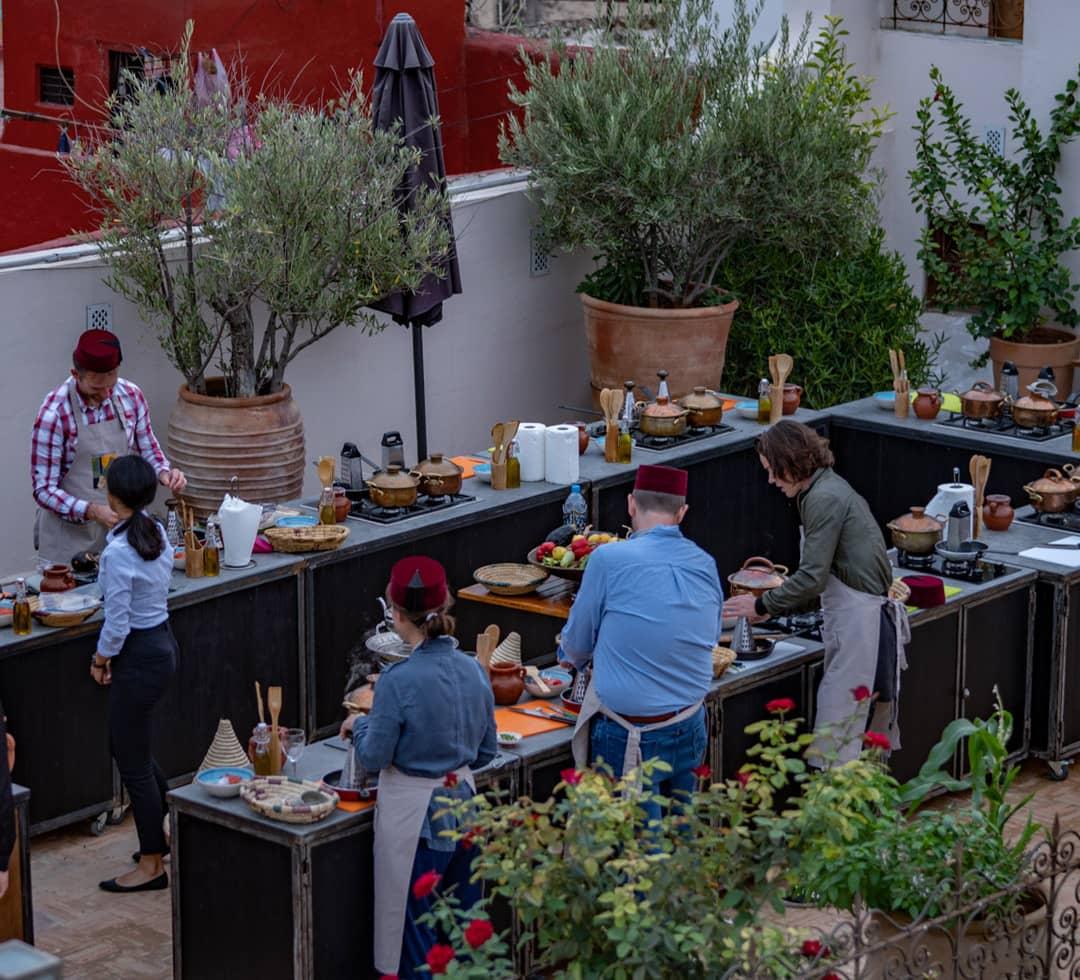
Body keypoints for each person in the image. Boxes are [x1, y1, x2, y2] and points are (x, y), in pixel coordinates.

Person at [340, 557, 496, 980]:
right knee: (461, 941)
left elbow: (373, 757)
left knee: (416, 947)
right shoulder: (472, 670)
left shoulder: (397, 680)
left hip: (417, 820)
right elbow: (486, 751)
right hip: (466, 811)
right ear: (445, 603)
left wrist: (361, 725)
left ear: (394, 611)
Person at [723, 420, 909, 766]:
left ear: (789, 462)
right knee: (855, 726)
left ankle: (836, 814)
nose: (771, 481)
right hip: (860, 618)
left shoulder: (822, 498)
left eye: (772, 471)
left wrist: (762, 604)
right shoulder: (828, 488)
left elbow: (812, 577)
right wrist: (770, 608)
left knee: (838, 729)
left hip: (859, 624)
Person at [558, 464, 723, 819]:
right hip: (690, 723)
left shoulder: (607, 559)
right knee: (682, 845)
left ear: (631, 504)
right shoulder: (705, 563)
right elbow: (708, 636)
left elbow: (575, 646)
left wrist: (573, 659)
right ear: (682, 513)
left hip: (631, 734)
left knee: (636, 860)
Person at [90, 454, 177, 893]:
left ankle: (151, 864)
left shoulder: (119, 551)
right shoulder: (156, 531)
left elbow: (117, 623)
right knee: (130, 748)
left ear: (111, 496)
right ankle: (166, 831)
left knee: (132, 758)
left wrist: (101, 660)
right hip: (160, 646)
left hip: (139, 655)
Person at [31, 328, 186, 566]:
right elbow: (43, 489)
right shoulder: (55, 414)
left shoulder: (130, 396)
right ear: (76, 374)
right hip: (70, 541)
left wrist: (165, 474)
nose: (105, 394)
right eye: (95, 389)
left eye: (110, 385)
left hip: (121, 534)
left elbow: (148, 450)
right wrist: (92, 510)